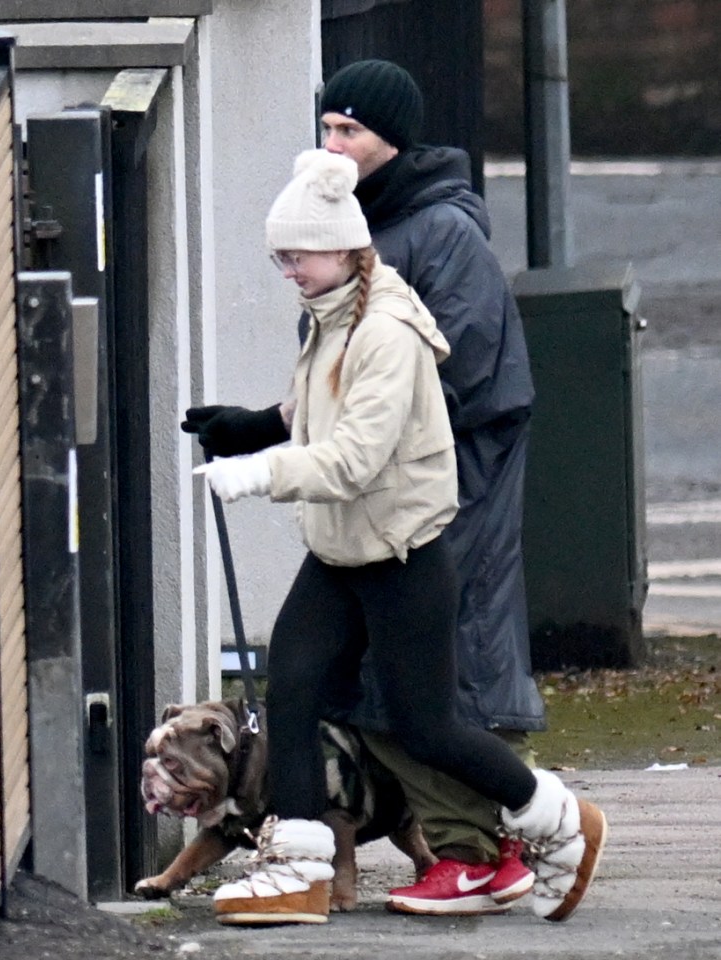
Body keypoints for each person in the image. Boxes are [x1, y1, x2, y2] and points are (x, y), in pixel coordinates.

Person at [190, 149, 607, 927]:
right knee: (292, 689)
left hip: (400, 554)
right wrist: (251, 429)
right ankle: (300, 865)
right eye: (280, 256)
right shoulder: (335, 313)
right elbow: (316, 409)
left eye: (298, 255)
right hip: (340, 549)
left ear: (347, 248)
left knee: (425, 723)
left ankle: (558, 822)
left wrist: (257, 474)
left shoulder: (385, 329)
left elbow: (354, 458)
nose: (287, 268)